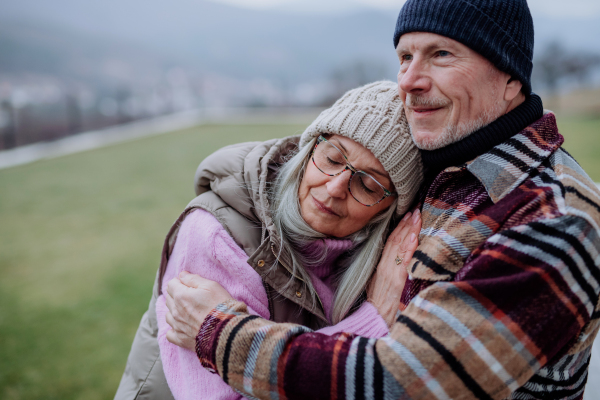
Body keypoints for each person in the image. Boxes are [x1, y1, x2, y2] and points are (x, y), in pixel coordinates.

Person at [164, 0, 600, 399]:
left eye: (441, 54)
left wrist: (219, 333)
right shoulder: (450, 170)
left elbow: (404, 383)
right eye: (405, 57)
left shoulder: (551, 219)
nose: (408, 81)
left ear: (509, 78)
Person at [114, 81, 424, 400]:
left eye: (368, 186)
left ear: (388, 211)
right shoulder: (218, 235)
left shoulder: (379, 260)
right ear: (310, 149)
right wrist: (372, 323)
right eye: (332, 159)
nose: (334, 188)